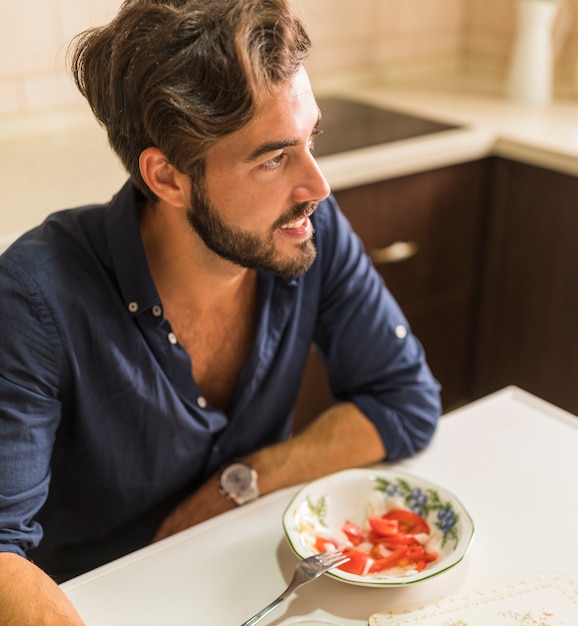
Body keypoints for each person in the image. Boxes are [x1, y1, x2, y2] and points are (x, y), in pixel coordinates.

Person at [0, 0, 441, 622]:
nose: (318, 187)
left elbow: (405, 401)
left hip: (255, 583)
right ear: (169, 178)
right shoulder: (35, 297)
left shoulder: (307, 232)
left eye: (311, 138)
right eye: (273, 158)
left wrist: (238, 484)